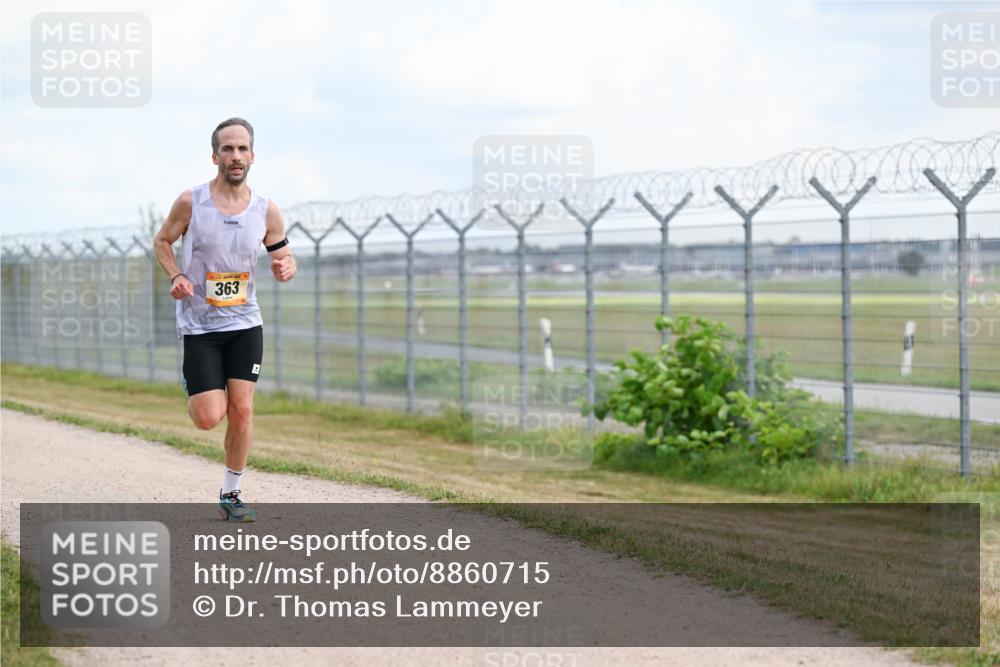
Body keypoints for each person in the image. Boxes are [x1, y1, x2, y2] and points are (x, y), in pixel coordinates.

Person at [153, 117, 296, 522]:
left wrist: (287, 267)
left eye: (242, 148)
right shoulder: (191, 202)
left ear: (253, 156)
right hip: (199, 324)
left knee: (243, 409)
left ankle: (231, 494)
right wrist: (177, 275)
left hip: (245, 323)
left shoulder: (266, 210)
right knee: (207, 418)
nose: (235, 156)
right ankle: (193, 380)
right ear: (215, 155)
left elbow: (283, 253)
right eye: (227, 149)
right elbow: (162, 242)